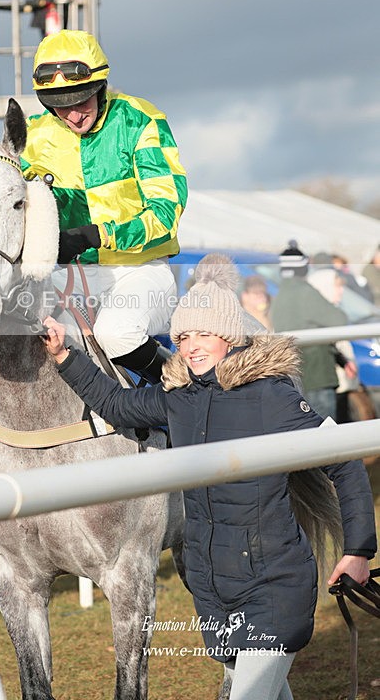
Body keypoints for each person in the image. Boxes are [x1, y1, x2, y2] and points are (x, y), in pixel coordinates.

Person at [42, 253, 377, 700]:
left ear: (230, 337)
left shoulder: (271, 397)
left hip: (272, 587)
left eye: (205, 333)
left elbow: (345, 461)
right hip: (212, 588)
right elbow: (119, 406)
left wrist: (358, 551)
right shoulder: (177, 398)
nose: (192, 345)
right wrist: (67, 356)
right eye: (183, 336)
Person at [21, 29, 188, 384]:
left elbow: (166, 212)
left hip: (140, 270)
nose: (73, 115)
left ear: (100, 87)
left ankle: (185, 391)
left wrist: (98, 234)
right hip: (69, 276)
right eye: (61, 107)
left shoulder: (139, 120)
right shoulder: (33, 135)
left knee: (116, 334)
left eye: (82, 102)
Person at [270, 241, 348, 420]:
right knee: (326, 435)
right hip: (317, 376)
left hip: (297, 377)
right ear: (303, 268)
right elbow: (340, 319)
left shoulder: (280, 296)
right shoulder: (305, 292)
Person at [307, 268, 363, 424]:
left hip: (341, 383)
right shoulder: (317, 315)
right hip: (324, 382)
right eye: (337, 287)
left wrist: (345, 362)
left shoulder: (333, 312)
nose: (341, 291)